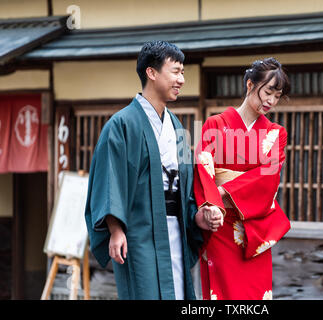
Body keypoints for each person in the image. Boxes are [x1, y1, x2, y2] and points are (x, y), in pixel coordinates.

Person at [84, 40, 220, 300]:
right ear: (152, 72)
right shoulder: (121, 125)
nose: (181, 79)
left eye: (183, 73)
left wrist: (198, 216)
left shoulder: (178, 128)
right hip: (139, 231)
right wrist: (115, 229)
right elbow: (108, 180)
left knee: (179, 294)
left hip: (176, 231)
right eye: (176, 71)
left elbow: (186, 188)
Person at [194, 57, 292, 300]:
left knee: (254, 294)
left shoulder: (275, 133)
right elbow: (203, 168)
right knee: (221, 292)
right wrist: (212, 206)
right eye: (268, 92)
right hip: (220, 224)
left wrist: (223, 193)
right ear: (250, 85)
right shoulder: (215, 124)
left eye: (277, 96)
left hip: (253, 230)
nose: (271, 101)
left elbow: (268, 178)